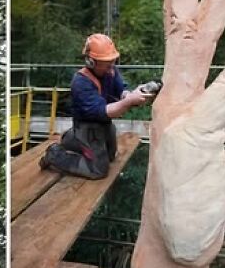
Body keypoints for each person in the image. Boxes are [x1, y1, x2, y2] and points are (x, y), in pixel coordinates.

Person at [39, 34, 151, 180]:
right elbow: (102, 112)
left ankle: (70, 139)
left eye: (113, 61)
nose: (111, 68)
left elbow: (121, 91)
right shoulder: (80, 82)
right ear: (91, 62)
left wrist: (131, 95)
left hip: (103, 124)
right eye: (107, 63)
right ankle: (55, 155)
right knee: (98, 169)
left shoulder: (111, 70)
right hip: (88, 126)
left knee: (110, 156)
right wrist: (128, 102)